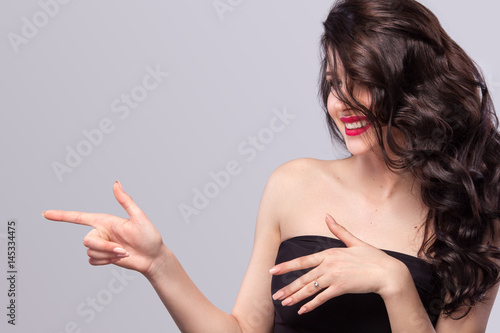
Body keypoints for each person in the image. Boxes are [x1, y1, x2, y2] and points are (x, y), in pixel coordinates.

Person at [43, 0, 500, 331]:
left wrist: (393, 281)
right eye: (332, 84)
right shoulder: (293, 183)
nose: (340, 104)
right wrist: (158, 263)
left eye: (360, 83)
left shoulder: (474, 214)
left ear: (412, 85)